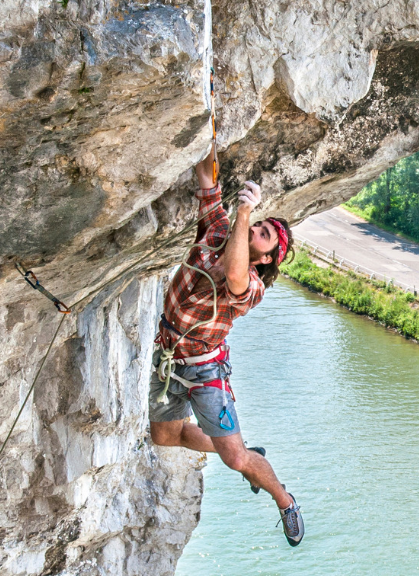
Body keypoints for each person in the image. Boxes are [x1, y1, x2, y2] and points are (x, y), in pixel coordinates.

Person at [148, 147, 304, 546]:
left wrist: (247, 213)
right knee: (165, 436)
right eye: (259, 226)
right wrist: (208, 131)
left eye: (263, 234)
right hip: (169, 358)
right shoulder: (217, 232)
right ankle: (243, 448)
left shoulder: (252, 288)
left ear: (267, 258)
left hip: (204, 371)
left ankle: (284, 499)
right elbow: (207, 177)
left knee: (237, 461)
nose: (255, 231)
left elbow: (234, 272)